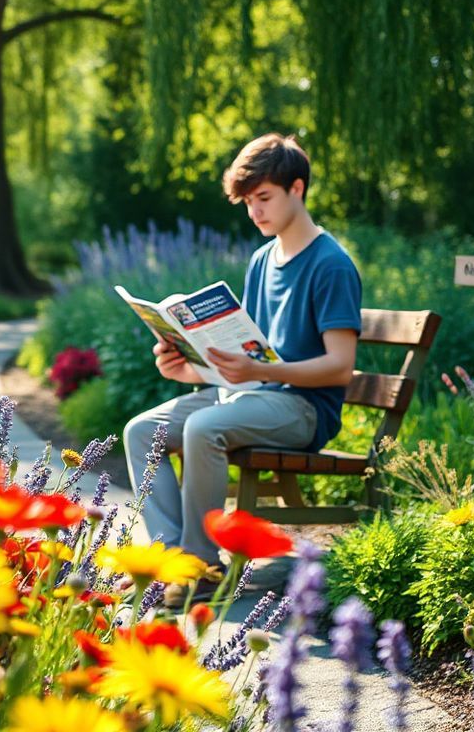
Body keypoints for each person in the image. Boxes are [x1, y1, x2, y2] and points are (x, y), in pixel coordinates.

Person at [123, 133, 362, 600]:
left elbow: (339, 368)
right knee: (139, 432)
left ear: (298, 189)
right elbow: (246, 354)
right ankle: (169, 561)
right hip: (247, 395)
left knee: (203, 428)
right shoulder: (262, 259)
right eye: (249, 202)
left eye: (264, 198)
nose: (255, 212)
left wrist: (257, 374)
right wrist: (187, 369)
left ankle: (201, 568)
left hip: (302, 408)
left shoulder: (330, 265)